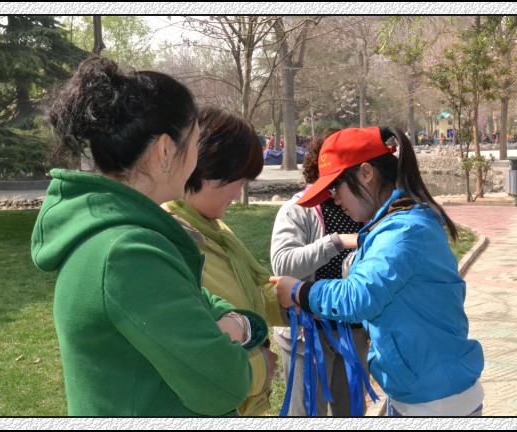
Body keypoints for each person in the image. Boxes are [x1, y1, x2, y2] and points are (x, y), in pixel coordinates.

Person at [31, 57, 267, 416]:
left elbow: (204, 305)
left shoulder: (119, 236)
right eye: (195, 142)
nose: (197, 158)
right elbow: (225, 384)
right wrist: (238, 325)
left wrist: (231, 324)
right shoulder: (128, 254)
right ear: (165, 150)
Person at [269, 126, 485, 416]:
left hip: (437, 400)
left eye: (336, 188)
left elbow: (359, 295)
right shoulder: (395, 224)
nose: (335, 199)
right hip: (418, 391)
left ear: (366, 173)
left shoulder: (402, 231)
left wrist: (298, 291)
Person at [162, 106, 283, 416]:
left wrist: (297, 299)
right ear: (208, 169)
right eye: (239, 180)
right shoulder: (170, 243)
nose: (240, 191)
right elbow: (190, 350)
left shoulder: (214, 229)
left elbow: (249, 294)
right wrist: (259, 368)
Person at [270, 129, 370, 416]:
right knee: (305, 412)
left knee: (351, 412)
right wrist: (336, 241)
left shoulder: (366, 207)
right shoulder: (298, 209)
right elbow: (283, 265)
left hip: (352, 330)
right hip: (309, 332)